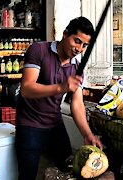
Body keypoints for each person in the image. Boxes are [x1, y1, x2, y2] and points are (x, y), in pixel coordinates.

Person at [15, 16, 103, 180]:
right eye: (77, 41)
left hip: (54, 123)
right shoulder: (38, 50)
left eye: (84, 45)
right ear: (65, 34)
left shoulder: (77, 68)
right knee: (28, 174)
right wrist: (61, 87)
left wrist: (87, 134)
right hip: (29, 123)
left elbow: (77, 104)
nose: (79, 48)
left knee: (68, 168)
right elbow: (26, 89)